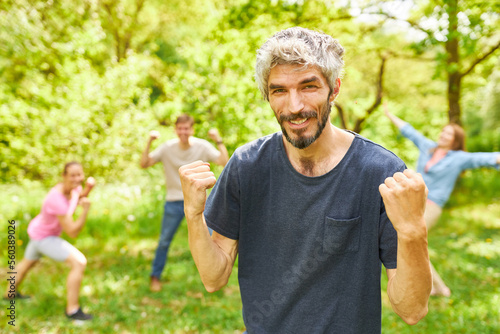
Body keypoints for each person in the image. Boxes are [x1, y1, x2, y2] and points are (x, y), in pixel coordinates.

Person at [179, 27, 432, 333]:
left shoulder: (379, 172)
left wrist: (413, 232)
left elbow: (412, 310)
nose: (294, 106)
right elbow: (213, 278)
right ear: (267, 95)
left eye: (308, 86)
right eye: (279, 90)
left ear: (334, 89)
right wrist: (194, 216)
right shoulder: (247, 166)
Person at [384, 104, 500, 297]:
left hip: (432, 206)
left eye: (449, 135)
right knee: (412, 243)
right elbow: (409, 131)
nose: (443, 136)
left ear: (455, 141)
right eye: (443, 132)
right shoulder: (428, 147)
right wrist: (389, 114)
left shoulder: (459, 158)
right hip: (414, 202)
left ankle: (437, 287)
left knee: (412, 242)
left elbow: (486, 158)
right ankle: (436, 287)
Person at [140, 114, 229, 292]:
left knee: (212, 241)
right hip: (174, 202)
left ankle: (215, 279)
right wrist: (149, 141)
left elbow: (224, 161)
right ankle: (155, 277)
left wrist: (218, 140)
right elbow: (144, 163)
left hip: (201, 204)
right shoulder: (167, 148)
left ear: (192, 129)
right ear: (175, 130)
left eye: (186, 128)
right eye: (180, 128)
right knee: (164, 241)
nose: (183, 132)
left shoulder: (202, 146)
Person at [4, 161, 95, 321]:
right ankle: (72, 310)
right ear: (64, 176)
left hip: (38, 232)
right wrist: (85, 210)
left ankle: (9, 294)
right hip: (44, 237)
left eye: (79, 174)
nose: (77, 178)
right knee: (79, 262)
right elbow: (72, 231)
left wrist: (88, 189)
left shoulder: (75, 188)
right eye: (72, 175)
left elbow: (77, 198)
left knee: (26, 264)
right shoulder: (56, 199)